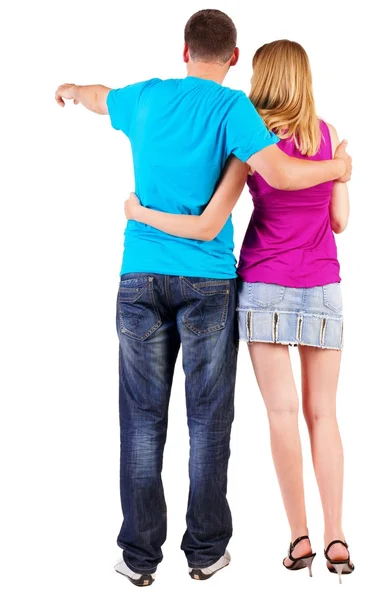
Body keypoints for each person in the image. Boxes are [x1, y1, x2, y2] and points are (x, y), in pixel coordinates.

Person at [55, 10, 352, 586]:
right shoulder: (237, 112)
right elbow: (289, 180)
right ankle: (208, 552)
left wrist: (69, 90)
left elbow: (97, 95)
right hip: (215, 281)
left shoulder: (143, 98)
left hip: (142, 274)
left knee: (141, 423)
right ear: (235, 58)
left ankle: (140, 559)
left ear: (183, 50)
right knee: (211, 423)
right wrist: (341, 165)